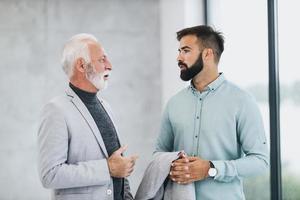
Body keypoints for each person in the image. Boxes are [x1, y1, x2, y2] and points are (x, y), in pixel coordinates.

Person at [155, 25, 269, 199]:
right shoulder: (174, 103)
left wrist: (211, 168)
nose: (179, 57)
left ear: (207, 54)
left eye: (186, 51)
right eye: (179, 51)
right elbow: (159, 153)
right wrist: (170, 165)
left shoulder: (242, 101)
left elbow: (260, 161)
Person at [37, 33, 138, 200]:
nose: (110, 65)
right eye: (102, 60)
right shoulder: (56, 110)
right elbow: (50, 174)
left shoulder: (106, 107)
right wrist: (107, 168)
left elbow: (117, 165)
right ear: (82, 66)